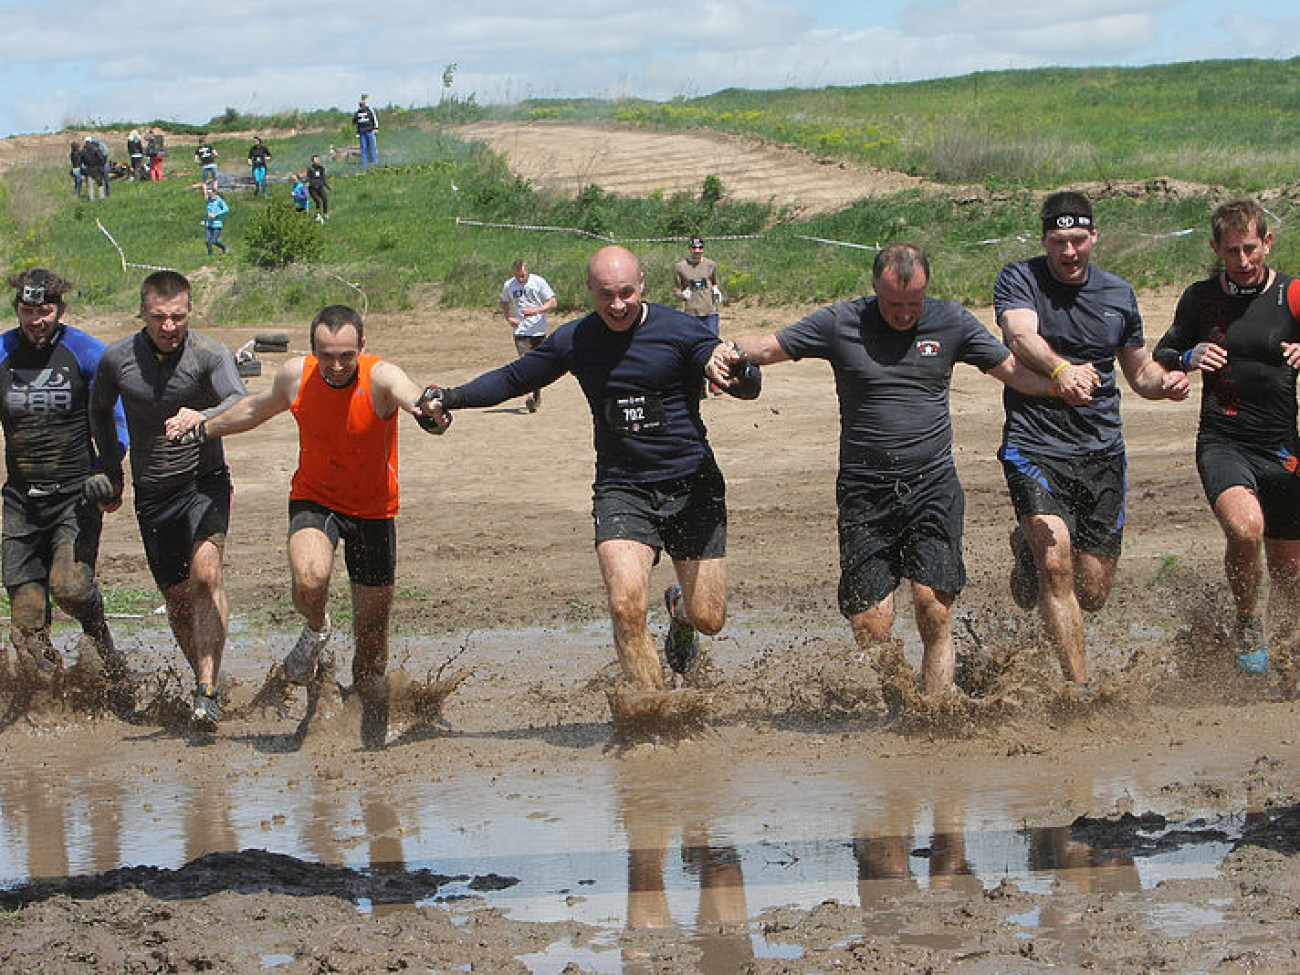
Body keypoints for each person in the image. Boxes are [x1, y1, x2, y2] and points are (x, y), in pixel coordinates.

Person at [729, 243, 1072, 697]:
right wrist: (720, 351)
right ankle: (899, 700)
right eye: (894, 304)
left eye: (915, 304)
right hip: (864, 490)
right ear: (875, 288)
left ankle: (932, 710)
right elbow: (771, 346)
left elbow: (1011, 371)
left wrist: (1059, 382)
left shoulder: (951, 320)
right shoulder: (841, 321)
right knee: (870, 626)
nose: (906, 314)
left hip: (932, 485)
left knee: (933, 610)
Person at [429, 245, 759, 702]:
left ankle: (680, 610)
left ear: (642, 283)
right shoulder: (575, 339)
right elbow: (513, 379)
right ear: (589, 290)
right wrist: (449, 396)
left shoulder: (680, 329)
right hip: (622, 488)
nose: (618, 304)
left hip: (692, 484)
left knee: (710, 619)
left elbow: (729, 370)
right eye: (607, 295)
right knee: (625, 605)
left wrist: (737, 372)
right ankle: (651, 708)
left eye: (626, 292)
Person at [163, 305, 450, 749]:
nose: (336, 366)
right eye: (326, 355)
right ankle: (317, 627)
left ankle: (364, 722)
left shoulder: (380, 377)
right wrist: (204, 427)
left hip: (374, 512)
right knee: (310, 579)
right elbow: (254, 409)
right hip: (315, 499)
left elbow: (413, 395)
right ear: (312, 349)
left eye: (346, 355)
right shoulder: (296, 375)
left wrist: (431, 409)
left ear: (362, 348)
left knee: (372, 642)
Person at [996, 190, 1190, 684]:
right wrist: (1061, 370)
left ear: (1093, 237)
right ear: (1044, 241)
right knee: (1057, 563)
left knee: (1094, 591)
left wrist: (1163, 385)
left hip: (1102, 450)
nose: (1069, 252)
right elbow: (1019, 336)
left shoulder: (1118, 294)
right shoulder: (1020, 277)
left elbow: (1139, 371)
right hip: (1036, 444)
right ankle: (1078, 687)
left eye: (1078, 240)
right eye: (1058, 241)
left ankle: (1028, 552)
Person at [88, 271, 247, 733]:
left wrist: (205, 414)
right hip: (152, 492)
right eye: (159, 317)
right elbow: (98, 409)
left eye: (178, 316)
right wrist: (111, 469)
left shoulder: (208, 354)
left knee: (206, 574)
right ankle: (206, 674)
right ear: (143, 313)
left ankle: (206, 690)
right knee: (178, 602)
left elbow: (239, 400)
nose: (169, 326)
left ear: (190, 312)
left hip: (204, 481)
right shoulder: (118, 359)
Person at [1153, 199, 1300, 674]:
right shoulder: (1200, 299)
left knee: (1289, 572)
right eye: (1232, 251)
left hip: (1283, 444)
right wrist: (1189, 356)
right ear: (1217, 248)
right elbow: (1164, 349)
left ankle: (1288, 651)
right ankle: (1247, 621)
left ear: (1268, 243)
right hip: (1224, 439)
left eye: (1251, 249)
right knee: (1244, 529)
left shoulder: (1293, 294)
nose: (1242, 261)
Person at [1, 270, 128, 683]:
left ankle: (100, 640)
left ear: (60, 310)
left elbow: (115, 420)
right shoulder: (2, 352)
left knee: (71, 586)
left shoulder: (87, 353)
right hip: (20, 500)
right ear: (16, 309)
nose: (35, 320)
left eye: (45, 311)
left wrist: (107, 469)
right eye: (27, 310)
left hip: (75, 495)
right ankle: (45, 692)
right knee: (26, 611)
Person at [498, 260, 557, 412]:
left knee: (538, 367)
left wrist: (537, 311)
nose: (520, 279)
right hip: (521, 332)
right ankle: (530, 396)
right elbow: (504, 302)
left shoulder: (539, 282)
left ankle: (536, 394)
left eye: (523, 276)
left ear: (527, 271)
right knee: (526, 363)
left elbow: (552, 301)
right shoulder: (509, 285)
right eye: (518, 277)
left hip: (539, 331)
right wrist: (508, 317)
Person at [675, 237, 722, 336]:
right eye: (694, 248)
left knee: (713, 340)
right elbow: (677, 290)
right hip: (692, 313)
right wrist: (682, 295)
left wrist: (716, 290)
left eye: (700, 248)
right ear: (690, 248)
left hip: (710, 311)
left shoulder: (711, 265)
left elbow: (715, 282)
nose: (697, 251)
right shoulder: (681, 267)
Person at [203, 184, 229, 256]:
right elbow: (208, 213)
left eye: (210, 193)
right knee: (207, 241)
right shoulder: (208, 201)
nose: (209, 194)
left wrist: (216, 214)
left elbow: (226, 209)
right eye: (208, 193)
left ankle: (224, 248)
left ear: (214, 193)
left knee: (214, 241)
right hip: (209, 224)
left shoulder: (219, 201)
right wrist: (205, 220)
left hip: (217, 224)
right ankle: (211, 256)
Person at [353, 95, 379, 168]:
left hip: (370, 131)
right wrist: (357, 132)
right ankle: (364, 163)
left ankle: (375, 161)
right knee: (363, 148)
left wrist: (376, 128)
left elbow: (374, 119)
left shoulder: (370, 111)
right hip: (362, 132)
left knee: (372, 146)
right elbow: (355, 122)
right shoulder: (358, 112)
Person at [306, 156, 329, 221]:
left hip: (320, 187)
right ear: (312, 161)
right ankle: (317, 215)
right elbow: (308, 177)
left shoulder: (321, 168)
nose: (318, 160)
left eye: (318, 159)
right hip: (312, 188)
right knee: (318, 201)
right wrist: (308, 182)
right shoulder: (310, 169)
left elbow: (323, 178)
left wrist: (327, 186)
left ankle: (325, 213)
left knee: (325, 199)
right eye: (316, 159)